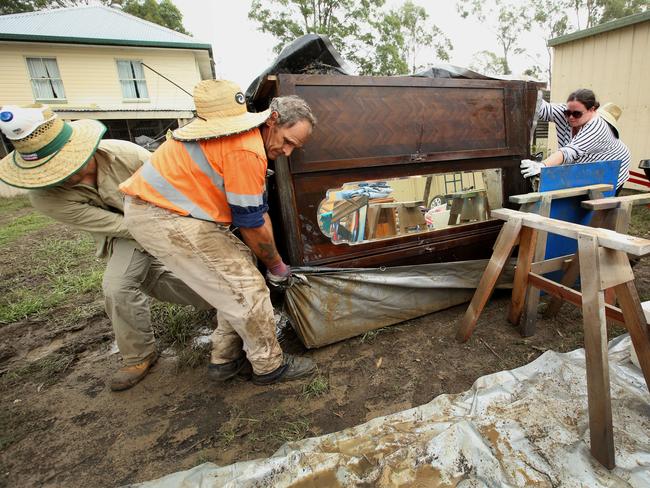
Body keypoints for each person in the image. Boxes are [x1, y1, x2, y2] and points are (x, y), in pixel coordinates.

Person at [0, 105, 212, 391]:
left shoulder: (127, 155)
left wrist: (192, 229)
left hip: (169, 214)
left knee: (172, 274)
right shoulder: (45, 199)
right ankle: (140, 354)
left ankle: (217, 302)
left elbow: (176, 188)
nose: (67, 177)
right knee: (119, 286)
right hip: (122, 232)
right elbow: (119, 226)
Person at [119, 79, 318, 385]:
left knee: (237, 273)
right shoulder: (247, 149)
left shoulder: (244, 141)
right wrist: (277, 267)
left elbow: (258, 215)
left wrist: (272, 262)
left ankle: (225, 360)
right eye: (288, 141)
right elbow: (252, 225)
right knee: (246, 286)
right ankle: (269, 366)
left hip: (167, 213)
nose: (289, 152)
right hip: (165, 217)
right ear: (273, 120)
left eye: (297, 147)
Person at [520, 89, 631, 192]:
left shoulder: (598, 126)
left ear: (592, 110)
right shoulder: (568, 112)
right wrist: (528, 91)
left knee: (595, 202)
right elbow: (542, 108)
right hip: (584, 167)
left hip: (611, 170)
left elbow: (569, 151)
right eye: (568, 113)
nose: (571, 117)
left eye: (577, 114)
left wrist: (543, 165)